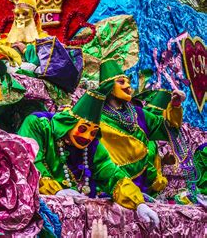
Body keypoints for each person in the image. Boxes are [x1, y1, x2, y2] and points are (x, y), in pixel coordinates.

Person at [18, 90, 160, 225]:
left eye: (92, 132)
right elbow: (27, 162)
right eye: (83, 129)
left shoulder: (91, 146)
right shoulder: (39, 124)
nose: (87, 137)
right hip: (31, 208)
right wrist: (55, 190)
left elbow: (113, 175)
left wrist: (139, 204)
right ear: (71, 122)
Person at [97, 58, 186, 193]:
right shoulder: (96, 114)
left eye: (128, 82)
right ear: (108, 86)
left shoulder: (138, 114)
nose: (128, 86)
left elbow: (168, 129)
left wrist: (175, 106)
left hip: (140, 187)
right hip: (109, 186)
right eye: (121, 82)